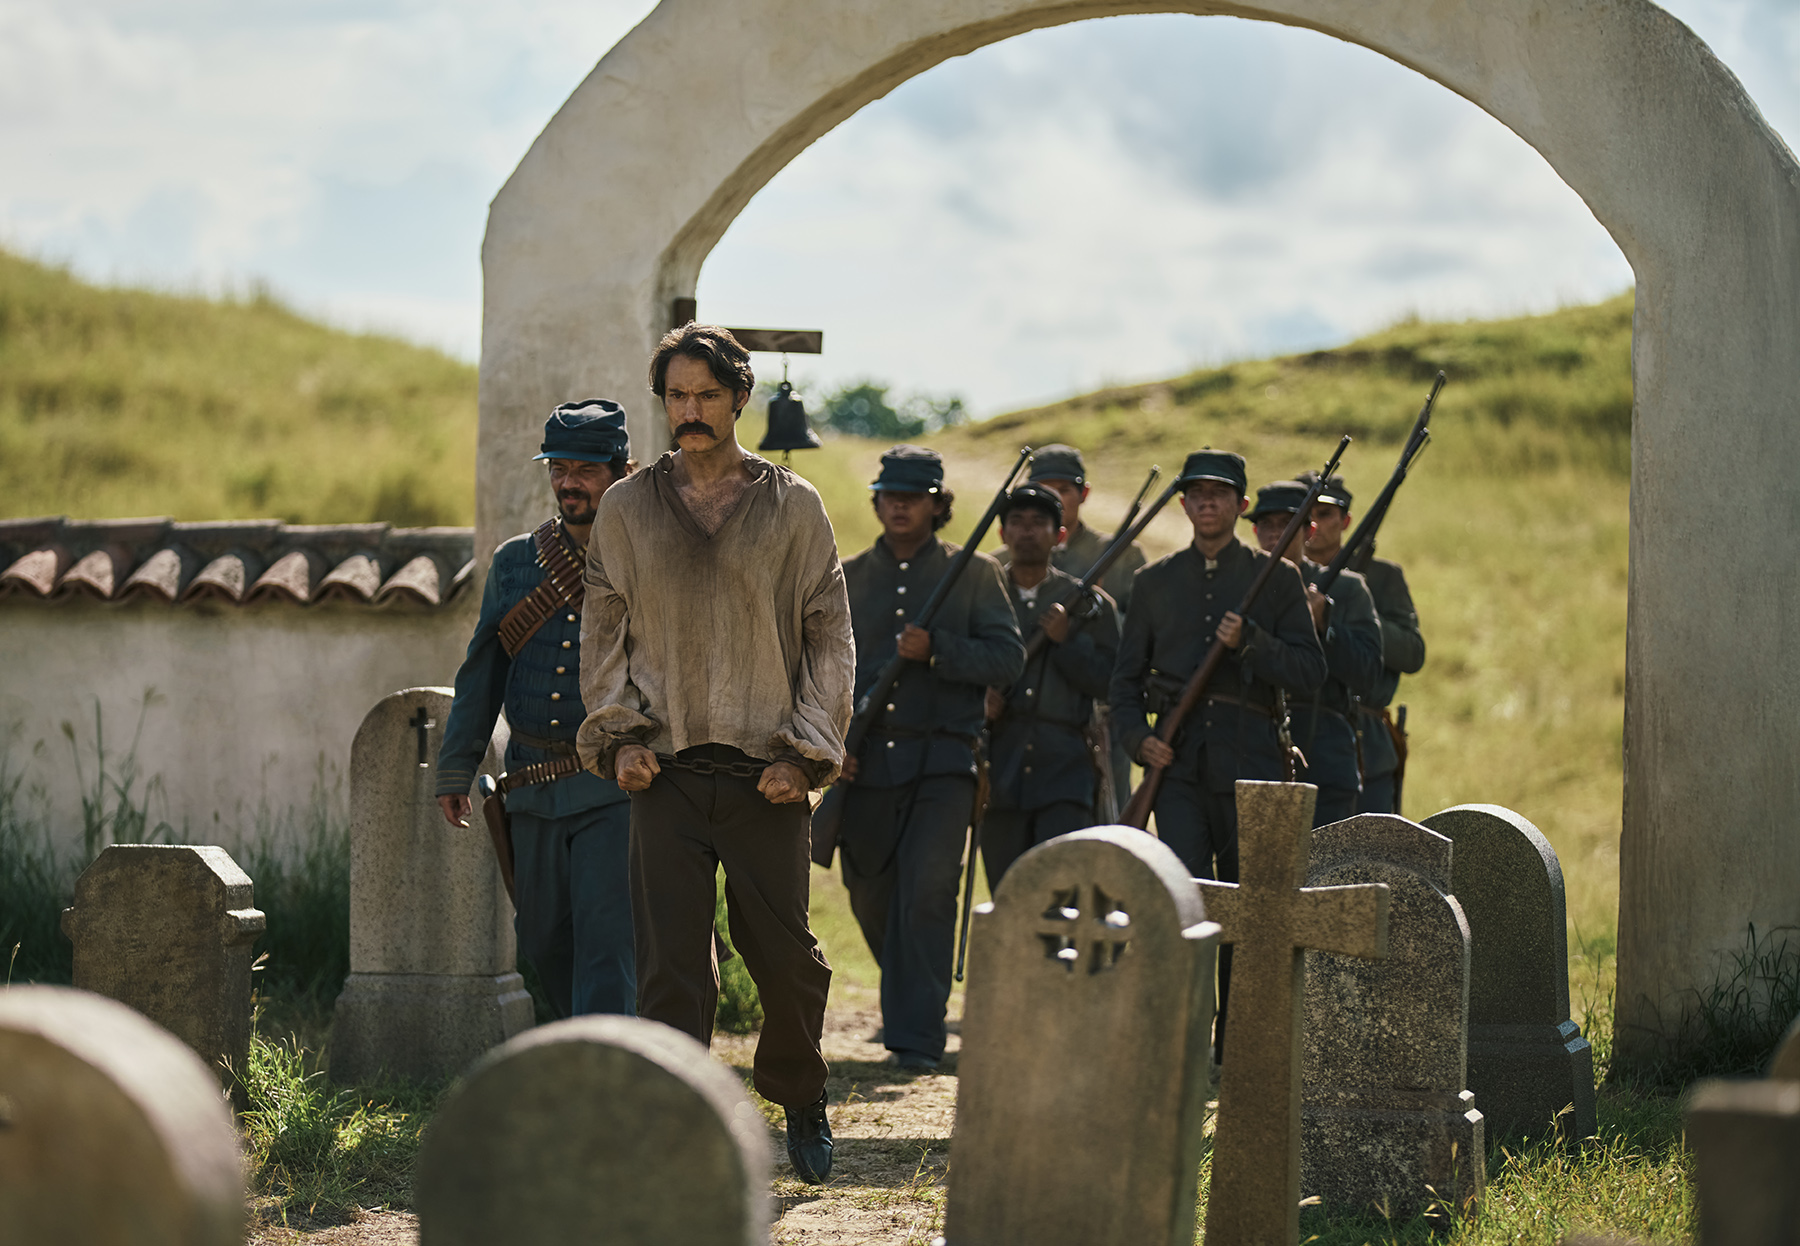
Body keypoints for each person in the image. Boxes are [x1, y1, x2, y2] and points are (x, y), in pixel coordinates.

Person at [575, 323, 854, 1184]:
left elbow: (829, 635)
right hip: (663, 774)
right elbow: (604, 630)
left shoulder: (793, 505)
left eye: (705, 395)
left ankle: (800, 1098)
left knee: (784, 958)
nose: (689, 412)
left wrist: (804, 755)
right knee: (670, 967)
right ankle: (673, 1123)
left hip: (765, 776)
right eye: (675, 397)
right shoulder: (626, 507)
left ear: (739, 396)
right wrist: (620, 738)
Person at [1109, 450, 1324, 1061]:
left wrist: (1251, 641)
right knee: (1183, 901)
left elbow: (1310, 671)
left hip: (1252, 767)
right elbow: (1123, 686)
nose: (1207, 502)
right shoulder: (1153, 583)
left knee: (1250, 910)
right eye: (1197, 492)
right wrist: (1136, 739)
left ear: (1241, 505)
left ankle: (1239, 1052)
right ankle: (1179, 1045)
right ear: (1182, 503)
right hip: (1176, 771)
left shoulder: (1277, 579)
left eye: (1220, 492)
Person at [435, 400, 637, 1019]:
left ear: (619, 471)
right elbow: (483, 668)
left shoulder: (647, 556)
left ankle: (603, 1086)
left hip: (614, 788)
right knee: (544, 943)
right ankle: (574, 1067)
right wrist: (456, 767)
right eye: (558, 467)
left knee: (609, 949)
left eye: (584, 469)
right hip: (529, 786)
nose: (568, 482)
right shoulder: (516, 561)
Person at [838, 445, 1024, 1071]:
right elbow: (821, 671)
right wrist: (833, 747)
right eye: (890, 495)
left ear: (938, 505)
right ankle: (912, 994)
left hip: (944, 763)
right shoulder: (849, 575)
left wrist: (937, 649)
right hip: (865, 765)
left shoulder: (973, 575)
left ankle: (916, 1036)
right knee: (867, 891)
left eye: (913, 497)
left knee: (928, 892)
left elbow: (1007, 661)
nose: (899, 505)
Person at [980, 482, 1120, 890]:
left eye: (1039, 523)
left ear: (1059, 535)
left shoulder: (1089, 604)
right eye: (1017, 522)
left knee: (1064, 899)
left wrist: (1066, 641)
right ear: (1002, 533)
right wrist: (978, 701)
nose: (1027, 531)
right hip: (998, 773)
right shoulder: (980, 594)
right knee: (1007, 899)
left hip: (1066, 773)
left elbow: (1114, 684)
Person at [995, 443, 1145, 816]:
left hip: (1096, 714)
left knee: (1109, 815)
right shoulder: (997, 566)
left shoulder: (1121, 553)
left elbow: (1136, 638)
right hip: (1012, 718)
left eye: (1064, 489)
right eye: (1044, 486)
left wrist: (1089, 615)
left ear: (1084, 493)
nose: (1053, 496)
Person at [1246, 480, 1384, 827]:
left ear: (1308, 531)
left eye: (1287, 524)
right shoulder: (1241, 587)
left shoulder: (1349, 589)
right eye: (1268, 524)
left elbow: (1368, 674)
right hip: (1253, 753)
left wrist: (1326, 627)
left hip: (1325, 754)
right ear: (1255, 530)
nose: (1276, 534)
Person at [1297, 471, 1427, 814]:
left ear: (1346, 520)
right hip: (1295, 734)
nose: (1314, 523)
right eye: (1305, 513)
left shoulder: (1381, 577)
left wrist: (1350, 614)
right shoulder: (1280, 575)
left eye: (1324, 514)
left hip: (1365, 740)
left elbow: (1412, 653)